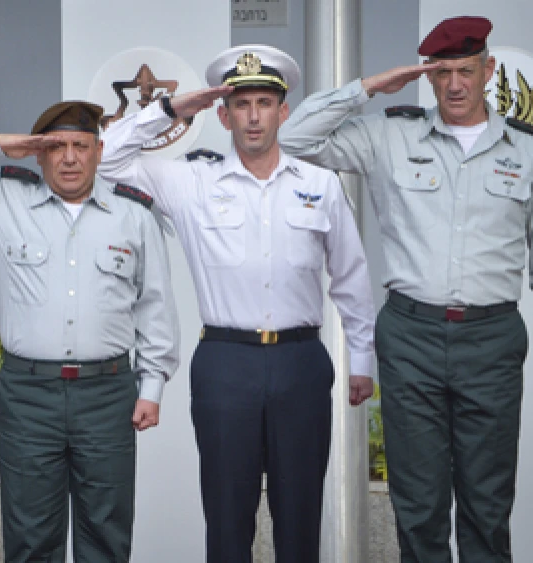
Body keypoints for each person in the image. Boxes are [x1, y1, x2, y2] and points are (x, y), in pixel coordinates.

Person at [278, 15, 533, 563]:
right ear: (427, 78)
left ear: (488, 71)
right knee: (417, 503)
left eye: (466, 70)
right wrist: (366, 87)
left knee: (488, 504)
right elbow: (293, 138)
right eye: (441, 73)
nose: (455, 85)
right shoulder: (390, 134)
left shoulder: (527, 151)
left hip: (491, 339)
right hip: (411, 335)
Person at [96, 45, 376, 563]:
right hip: (226, 364)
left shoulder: (320, 185)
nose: (253, 116)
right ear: (223, 114)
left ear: (283, 111)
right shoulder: (190, 181)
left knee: (300, 520)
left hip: (300, 362)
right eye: (241, 104)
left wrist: (362, 359)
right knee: (227, 521)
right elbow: (107, 156)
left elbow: (351, 276)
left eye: (264, 103)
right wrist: (172, 108)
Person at [0, 100, 179, 563]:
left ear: (99, 151)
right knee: (31, 537)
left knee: (106, 536)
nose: (69, 158)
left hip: (107, 392)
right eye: (55, 147)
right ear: (37, 154)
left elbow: (155, 305)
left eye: (80, 146)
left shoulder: (132, 215)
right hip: (28, 393)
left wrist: (151, 386)